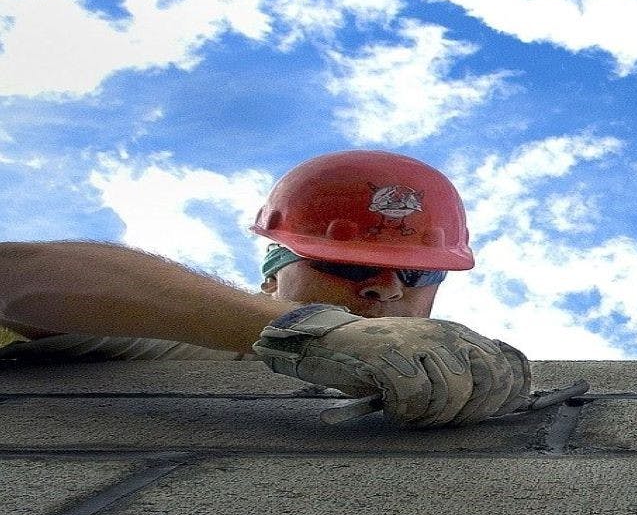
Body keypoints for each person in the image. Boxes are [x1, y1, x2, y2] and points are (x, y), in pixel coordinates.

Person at [0, 150, 530, 426]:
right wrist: (310, 333)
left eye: (418, 273)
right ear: (275, 272)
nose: (386, 289)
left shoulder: (451, 378)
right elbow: (15, 274)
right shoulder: (181, 338)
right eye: (347, 267)